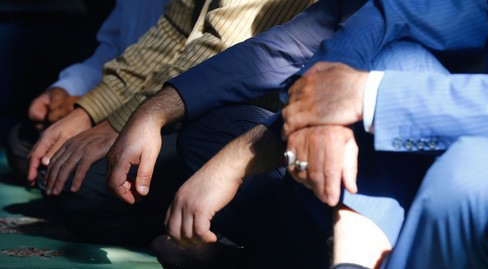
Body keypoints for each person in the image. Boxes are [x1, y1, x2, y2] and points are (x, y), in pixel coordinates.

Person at [107, 0, 488, 267]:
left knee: (461, 170)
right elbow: (381, 17)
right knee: (209, 136)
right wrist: (155, 110)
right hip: (387, 163)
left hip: (458, 162)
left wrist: (366, 96)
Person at [26, 0, 316, 249]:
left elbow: (222, 49)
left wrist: (124, 121)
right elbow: (172, 33)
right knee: (33, 148)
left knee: (82, 188)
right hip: (200, 108)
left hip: (246, 120)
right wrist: (89, 113)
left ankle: (223, 239)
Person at [7, 0, 169, 180]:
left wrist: (91, 111)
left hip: (158, 116)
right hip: (114, 97)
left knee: (78, 179)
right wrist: (66, 89)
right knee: (21, 142)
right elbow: (113, 50)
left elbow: (175, 70)